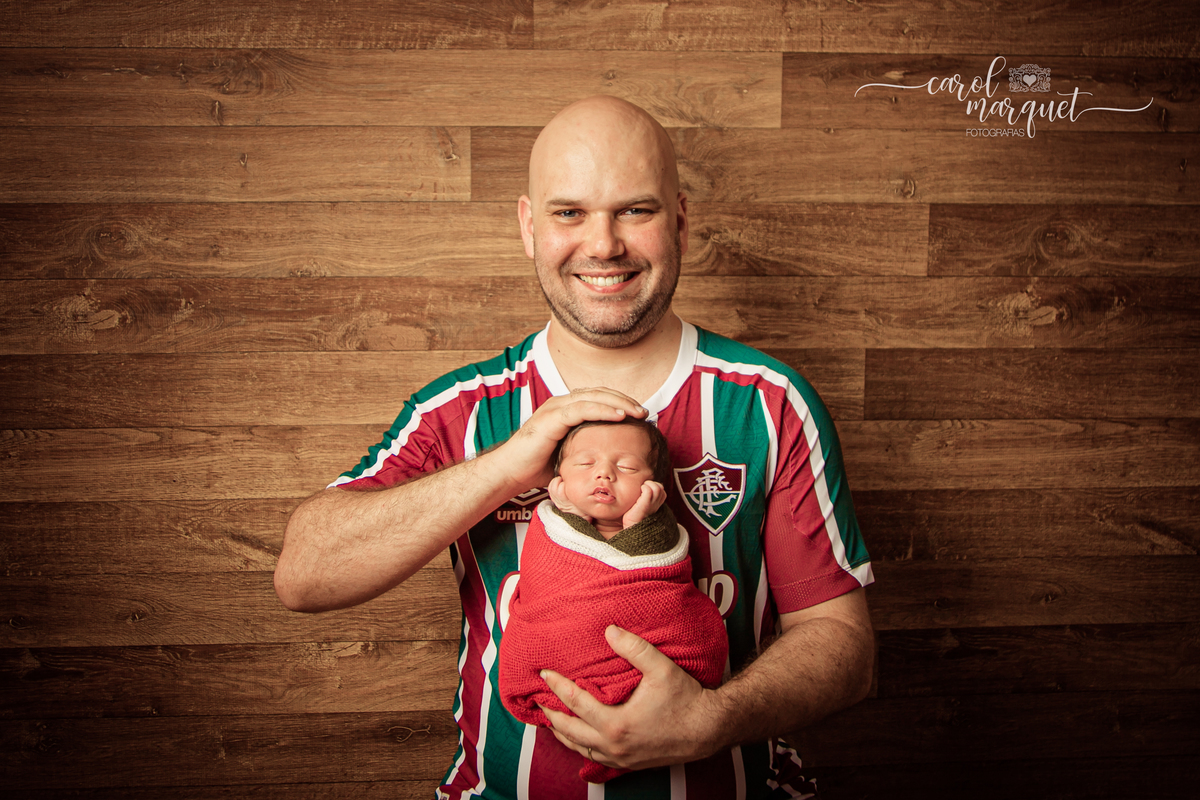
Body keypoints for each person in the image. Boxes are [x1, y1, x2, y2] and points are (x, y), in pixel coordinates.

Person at [275, 95, 876, 798]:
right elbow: (304, 574)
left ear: (680, 221)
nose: (603, 245)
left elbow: (845, 646)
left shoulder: (770, 404)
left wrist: (712, 721)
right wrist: (507, 465)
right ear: (529, 227)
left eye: (635, 210)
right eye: (569, 213)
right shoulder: (463, 411)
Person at [498, 419, 729, 785]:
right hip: (558, 658)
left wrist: (639, 523)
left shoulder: (659, 533)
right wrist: (570, 513)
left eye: (627, 467)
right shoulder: (553, 529)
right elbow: (543, 582)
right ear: (558, 482)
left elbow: (667, 593)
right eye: (585, 463)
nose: (604, 473)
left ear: (653, 487)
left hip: (656, 680)